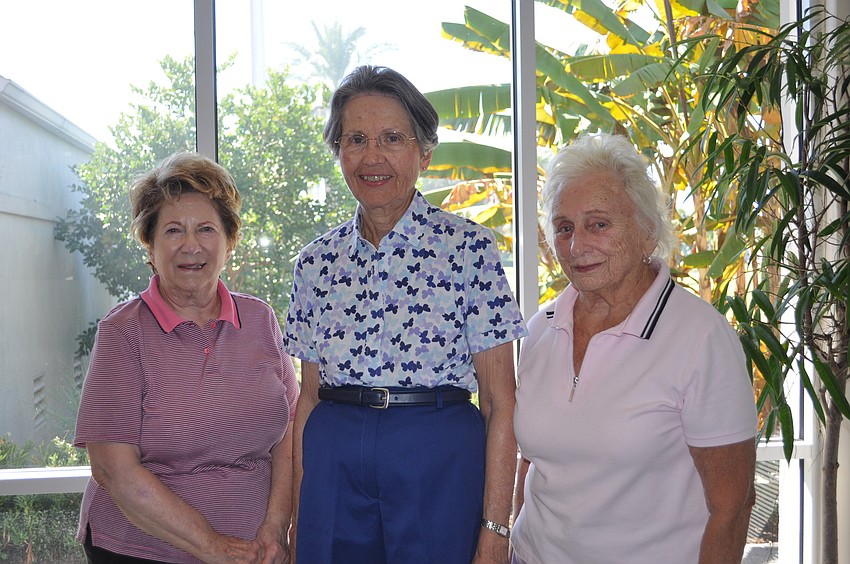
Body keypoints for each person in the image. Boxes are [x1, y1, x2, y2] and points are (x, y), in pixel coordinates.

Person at [284, 65, 526, 564]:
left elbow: (502, 401)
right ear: (339, 153)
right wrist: (298, 518)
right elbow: (307, 399)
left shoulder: (470, 250)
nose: (372, 157)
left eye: (392, 138)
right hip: (333, 459)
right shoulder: (315, 262)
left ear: (424, 151)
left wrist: (496, 531)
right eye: (356, 139)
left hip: (437, 457)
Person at [511, 133, 758, 564]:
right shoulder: (539, 330)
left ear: (647, 232)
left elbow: (732, 506)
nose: (576, 245)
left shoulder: (700, 337)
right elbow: (530, 463)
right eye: (564, 227)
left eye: (598, 224)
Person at [74, 152, 298, 564]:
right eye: (174, 230)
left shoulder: (260, 319)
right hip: (143, 551)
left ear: (228, 243)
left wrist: (276, 527)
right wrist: (213, 547)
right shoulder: (122, 333)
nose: (191, 245)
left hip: (256, 550)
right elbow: (113, 470)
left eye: (206, 229)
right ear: (151, 245)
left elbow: (288, 435)